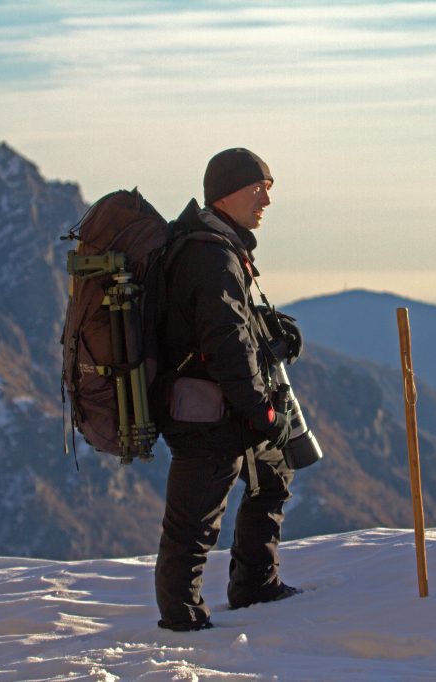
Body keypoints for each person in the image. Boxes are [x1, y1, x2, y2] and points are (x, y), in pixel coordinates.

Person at [154, 148, 304, 632]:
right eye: (256, 187)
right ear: (225, 193)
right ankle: (182, 623)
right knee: (193, 525)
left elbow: (224, 322)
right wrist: (261, 410)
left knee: (274, 474)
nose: (266, 199)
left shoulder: (215, 246)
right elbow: (225, 342)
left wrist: (268, 324)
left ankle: (255, 586)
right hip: (206, 411)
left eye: (269, 187)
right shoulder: (210, 255)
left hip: (220, 404)